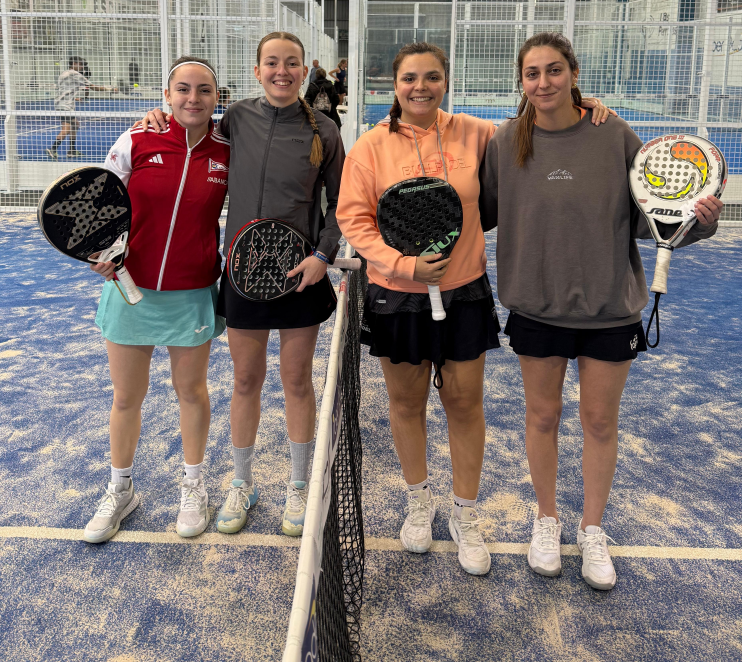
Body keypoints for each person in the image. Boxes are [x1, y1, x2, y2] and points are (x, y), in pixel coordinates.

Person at [337, 41, 615, 577]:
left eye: (432, 77)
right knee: (406, 404)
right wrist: (403, 265)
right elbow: (354, 218)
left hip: (464, 294)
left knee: (465, 406)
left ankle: (467, 515)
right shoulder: (370, 146)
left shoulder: (476, 133)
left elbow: (539, 127)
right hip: (396, 297)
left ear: (446, 81)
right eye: (410, 78)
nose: (421, 87)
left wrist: (586, 109)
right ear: (393, 85)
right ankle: (420, 505)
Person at [479, 32, 723, 590]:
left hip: (611, 311)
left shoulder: (613, 135)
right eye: (532, 73)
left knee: (599, 421)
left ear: (573, 73)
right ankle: (547, 521)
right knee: (541, 417)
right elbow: (483, 213)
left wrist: (699, 221)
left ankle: (592, 530)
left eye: (554, 70)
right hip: (536, 310)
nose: (543, 82)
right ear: (521, 82)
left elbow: (652, 221)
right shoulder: (503, 143)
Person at [139, 32, 345, 538]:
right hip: (243, 278)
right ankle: (242, 482)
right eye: (271, 63)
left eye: (291, 63)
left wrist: (323, 255)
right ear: (256, 72)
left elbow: (343, 204)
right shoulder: (234, 121)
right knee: (245, 381)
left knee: (297, 382)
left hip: (302, 277)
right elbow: (188, 125)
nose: (282, 71)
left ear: (303, 71)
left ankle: (299, 485)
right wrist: (156, 118)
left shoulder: (326, 131)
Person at [83, 56, 230, 544]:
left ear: (216, 98)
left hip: (191, 293)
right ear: (166, 96)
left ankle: (194, 486)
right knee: (127, 396)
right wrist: (99, 254)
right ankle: (120, 488)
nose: (193, 99)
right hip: (130, 290)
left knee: (191, 392)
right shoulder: (137, 139)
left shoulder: (228, 151)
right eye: (183, 89)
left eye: (204, 90)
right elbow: (97, 205)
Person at [47, 56, 115, 160]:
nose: (82, 67)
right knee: (66, 128)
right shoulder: (75, 74)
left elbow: (66, 88)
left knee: (75, 124)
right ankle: (53, 149)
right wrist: (111, 89)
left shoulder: (64, 73)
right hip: (65, 106)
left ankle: (71, 150)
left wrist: (75, 98)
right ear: (74, 64)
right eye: (80, 64)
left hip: (64, 103)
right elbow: (93, 87)